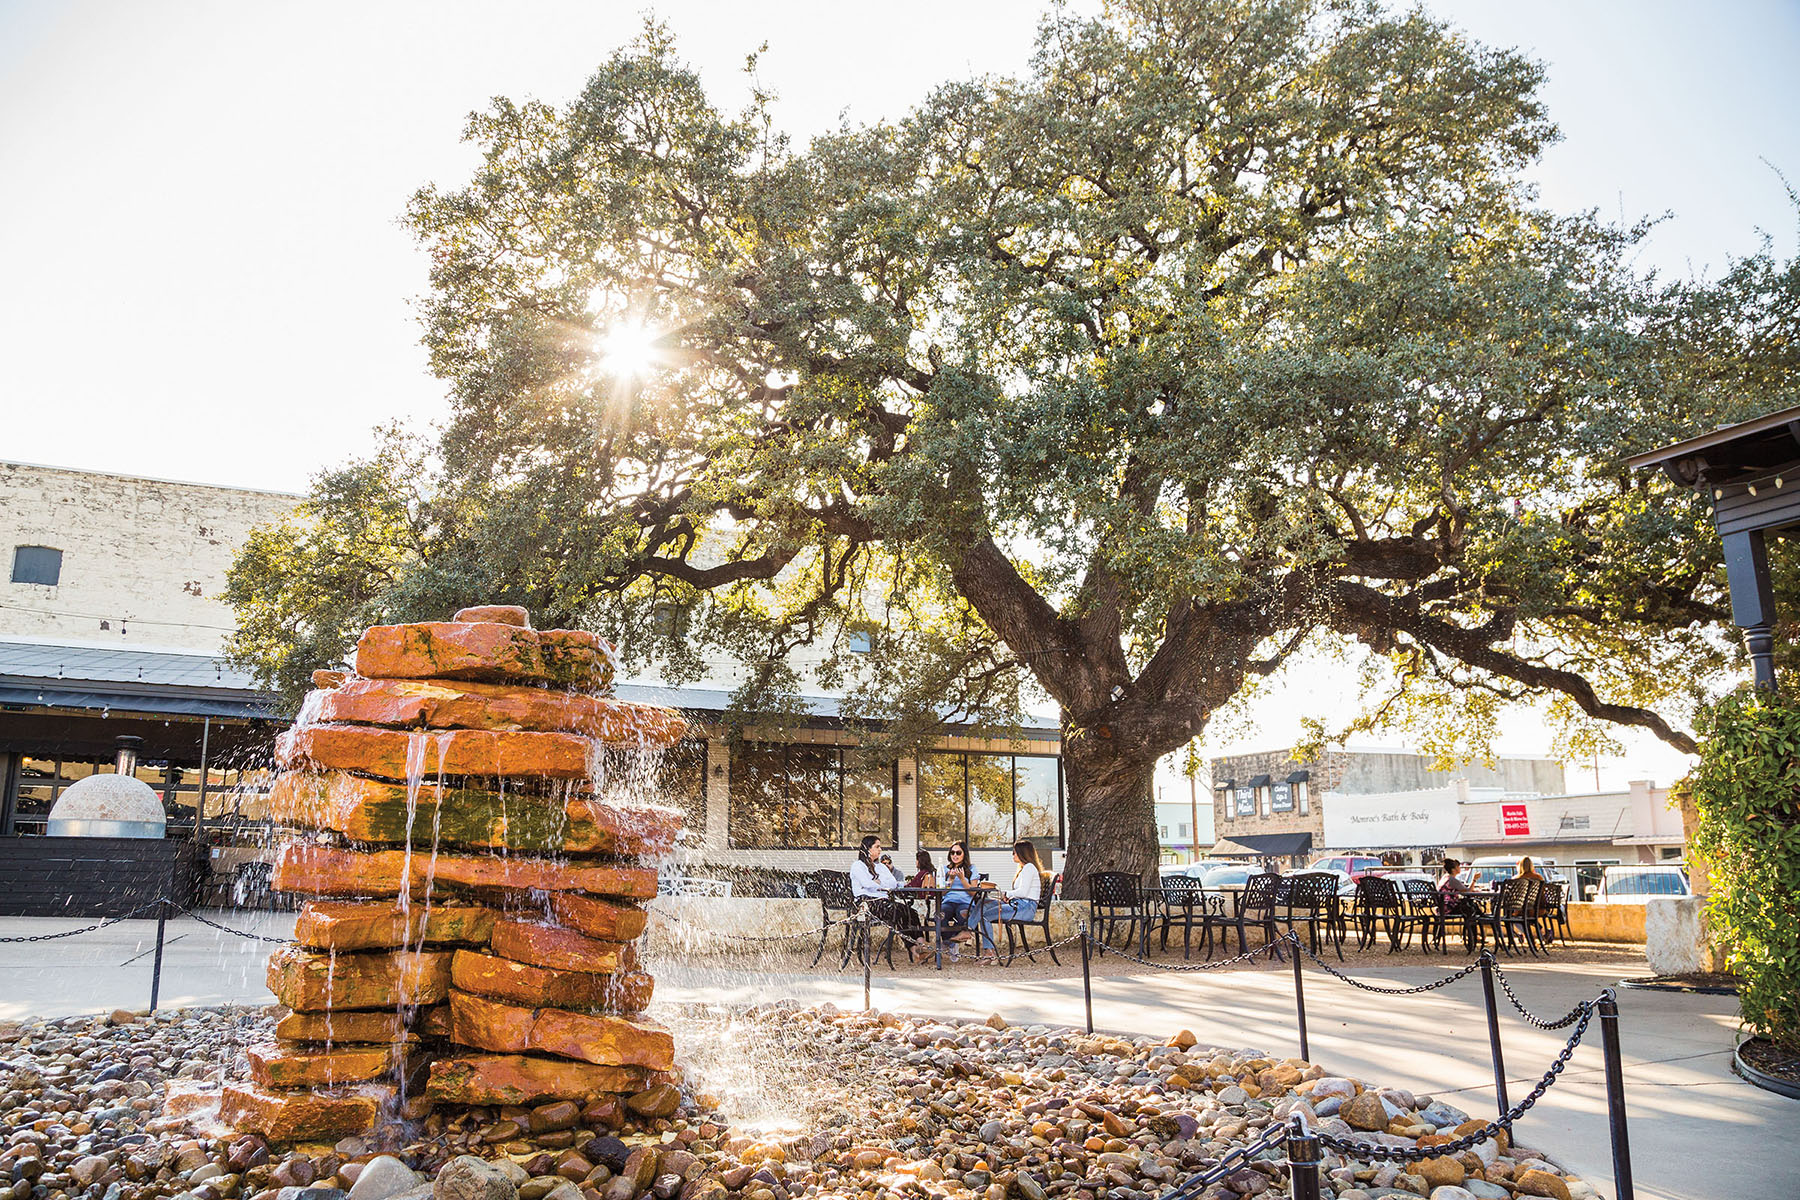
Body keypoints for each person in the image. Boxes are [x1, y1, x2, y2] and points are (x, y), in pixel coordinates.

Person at [849, 836, 927, 961]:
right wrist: (878, 884)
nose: (880, 849)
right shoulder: (858, 866)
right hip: (867, 903)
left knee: (911, 912)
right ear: (868, 849)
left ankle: (921, 945)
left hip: (884, 902)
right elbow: (866, 883)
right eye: (877, 846)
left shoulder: (880, 867)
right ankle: (914, 950)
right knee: (898, 912)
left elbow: (892, 884)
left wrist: (878, 883)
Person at [970, 840, 1044, 964]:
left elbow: (1023, 892)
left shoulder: (1029, 868)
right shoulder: (1023, 869)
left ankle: (989, 953)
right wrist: (1008, 896)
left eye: (1014, 852)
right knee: (984, 902)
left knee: (985, 917)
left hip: (1025, 908)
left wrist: (1007, 894)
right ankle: (968, 929)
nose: (1013, 855)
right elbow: (1021, 893)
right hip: (1018, 904)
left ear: (1022, 853)